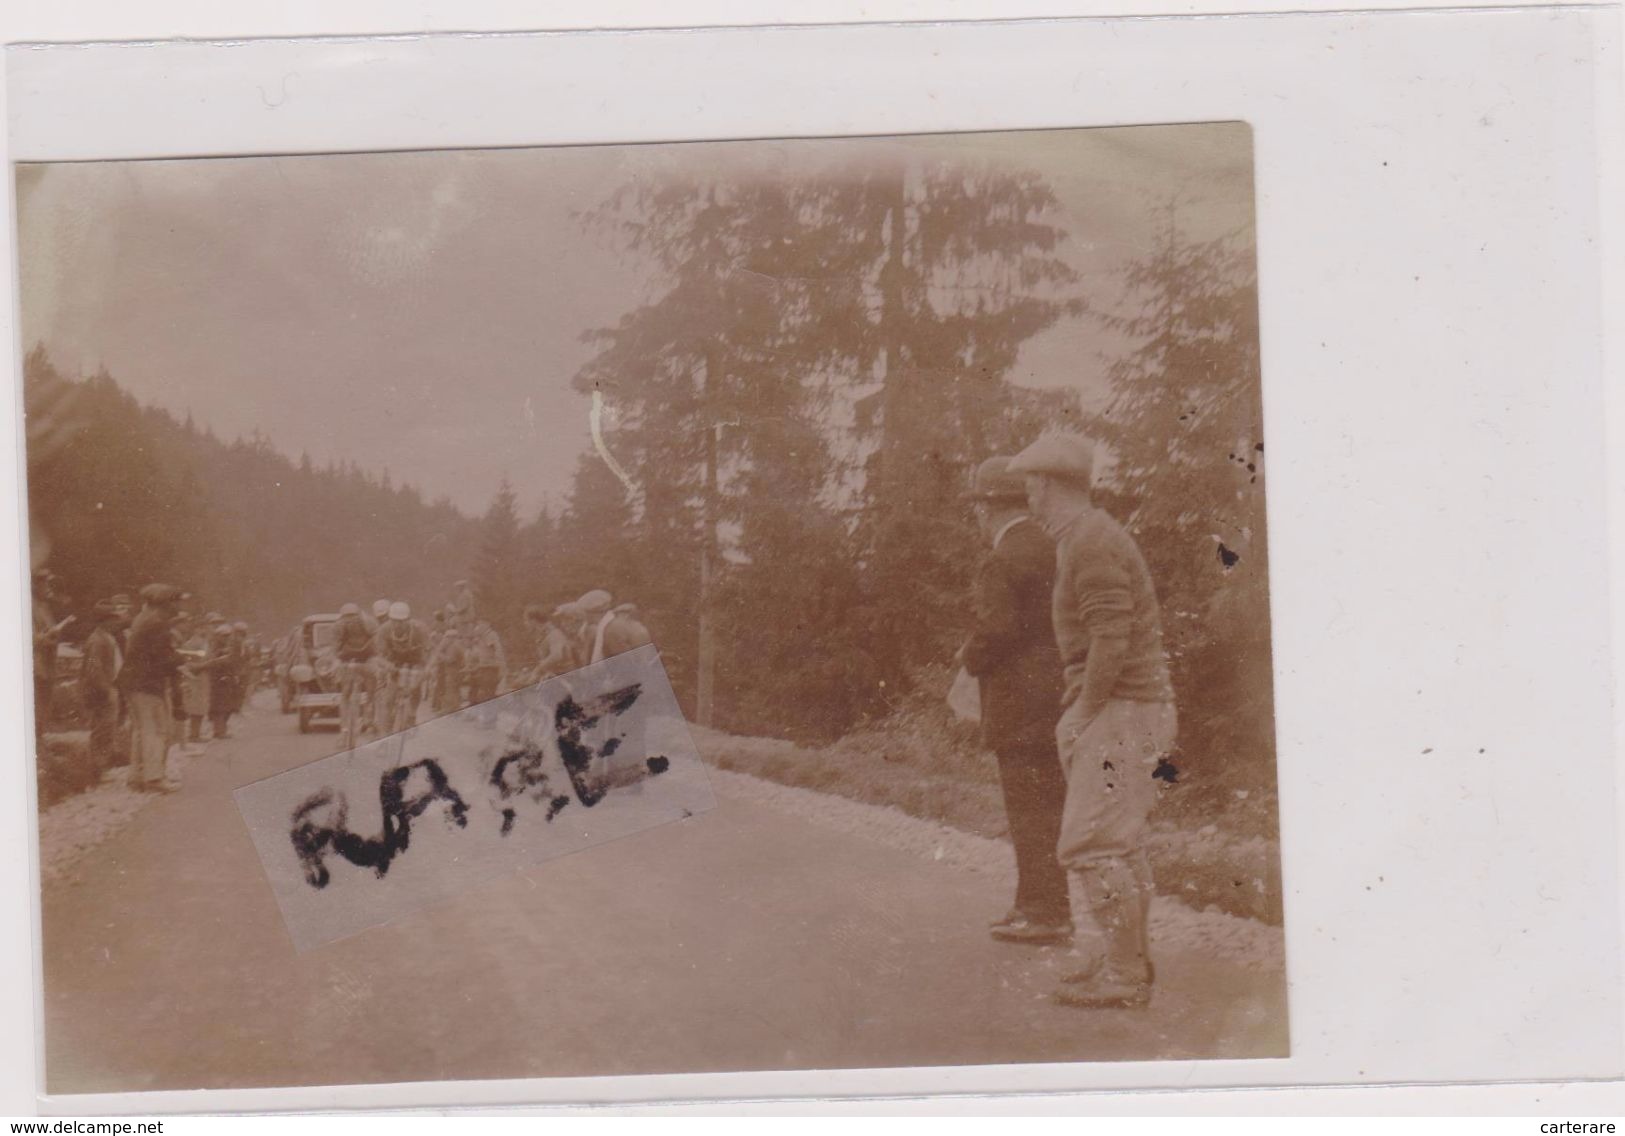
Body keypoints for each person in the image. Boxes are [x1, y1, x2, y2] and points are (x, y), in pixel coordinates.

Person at [1008, 432, 1178, 1010]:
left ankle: (1126, 976)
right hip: (1130, 710)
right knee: (1118, 844)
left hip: (1122, 714)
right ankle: (1122, 960)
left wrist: (1082, 713)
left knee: (1089, 843)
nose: (1026, 492)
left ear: (1047, 484)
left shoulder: (1089, 541)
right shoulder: (1084, 537)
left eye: (1030, 482)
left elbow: (1111, 634)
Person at [960, 456, 1072, 946]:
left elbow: (996, 630)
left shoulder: (1001, 560)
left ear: (988, 509)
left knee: (1029, 811)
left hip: (1020, 705)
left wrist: (969, 656)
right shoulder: (1055, 547)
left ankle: (1044, 913)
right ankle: (1040, 906)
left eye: (980, 510)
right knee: (1048, 807)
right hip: (1061, 698)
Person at [119, 584, 188, 791]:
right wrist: (181, 659)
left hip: (133, 683)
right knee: (156, 730)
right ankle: (155, 778)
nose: (178, 606)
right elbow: (163, 657)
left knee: (141, 730)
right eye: (176, 602)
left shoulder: (143, 619)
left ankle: (137, 777)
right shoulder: (158, 623)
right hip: (147, 684)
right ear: (165, 603)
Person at [80, 600, 125, 775]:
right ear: (103, 620)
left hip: (109, 686)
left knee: (109, 726)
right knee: (101, 728)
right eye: (113, 619)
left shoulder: (107, 637)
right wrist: (105, 690)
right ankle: (98, 768)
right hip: (100, 690)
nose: (116, 622)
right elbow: (93, 668)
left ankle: (105, 763)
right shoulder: (97, 641)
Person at [373, 601, 430, 733]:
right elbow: (378, 656)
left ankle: (412, 715)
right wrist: (388, 666)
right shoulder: (384, 630)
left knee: (416, 688)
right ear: (390, 619)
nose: (398, 625)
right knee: (389, 699)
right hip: (394, 662)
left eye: (402, 621)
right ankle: (385, 734)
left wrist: (427, 669)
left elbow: (430, 651)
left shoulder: (419, 629)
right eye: (395, 621)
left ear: (408, 620)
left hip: (416, 660)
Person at [31, 568, 72, 739]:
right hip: (36, 664)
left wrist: (55, 632)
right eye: (46, 584)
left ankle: (40, 739)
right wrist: (48, 636)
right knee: (36, 704)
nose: (49, 588)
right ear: (36, 585)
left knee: (44, 704)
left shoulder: (45, 606)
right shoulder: (29, 606)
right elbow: (29, 637)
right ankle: (35, 744)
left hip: (47, 663)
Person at [332, 603, 376, 741]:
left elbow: (336, 646)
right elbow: (377, 640)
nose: (351, 620)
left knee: (346, 694)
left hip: (350, 658)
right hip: (364, 658)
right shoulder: (368, 621)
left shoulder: (339, 624)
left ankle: (344, 728)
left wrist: (337, 660)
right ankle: (367, 719)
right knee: (370, 691)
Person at [198, 623, 242, 740]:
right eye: (224, 636)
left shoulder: (228, 647)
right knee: (220, 707)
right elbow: (213, 662)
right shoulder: (214, 647)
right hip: (218, 679)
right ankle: (219, 731)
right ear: (218, 636)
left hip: (227, 678)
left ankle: (221, 729)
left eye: (227, 636)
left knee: (227, 706)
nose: (226, 638)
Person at [524, 603, 581, 683]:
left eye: (526, 620)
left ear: (533, 621)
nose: (525, 624)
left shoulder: (554, 634)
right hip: (556, 677)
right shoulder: (543, 635)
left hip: (567, 678)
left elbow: (557, 655)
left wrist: (538, 670)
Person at [464, 618, 507, 706]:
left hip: (491, 667)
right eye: (478, 624)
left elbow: (497, 651)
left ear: (487, 624)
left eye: (481, 624)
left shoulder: (491, 635)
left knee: (488, 692)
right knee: (484, 691)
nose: (479, 627)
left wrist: (501, 666)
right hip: (484, 667)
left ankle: (490, 717)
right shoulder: (482, 637)